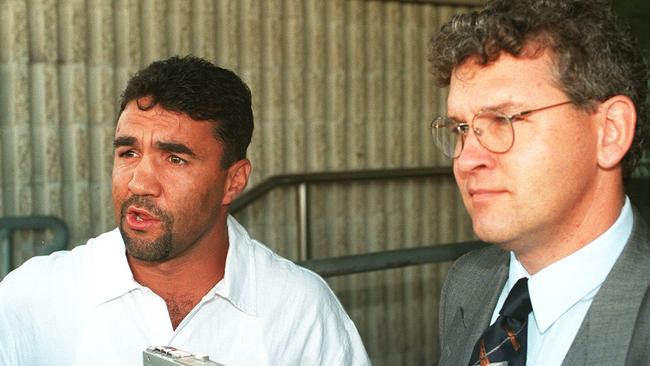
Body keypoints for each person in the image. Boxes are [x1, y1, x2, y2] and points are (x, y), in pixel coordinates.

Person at [0, 56, 371, 366]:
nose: (139, 183)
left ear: (234, 181)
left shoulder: (299, 309)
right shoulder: (32, 297)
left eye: (175, 158)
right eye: (128, 153)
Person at [428, 0, 650, 365]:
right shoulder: (467, 282)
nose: (466, 158)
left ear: (610, 132)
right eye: (461, 129)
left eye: (503, 120)